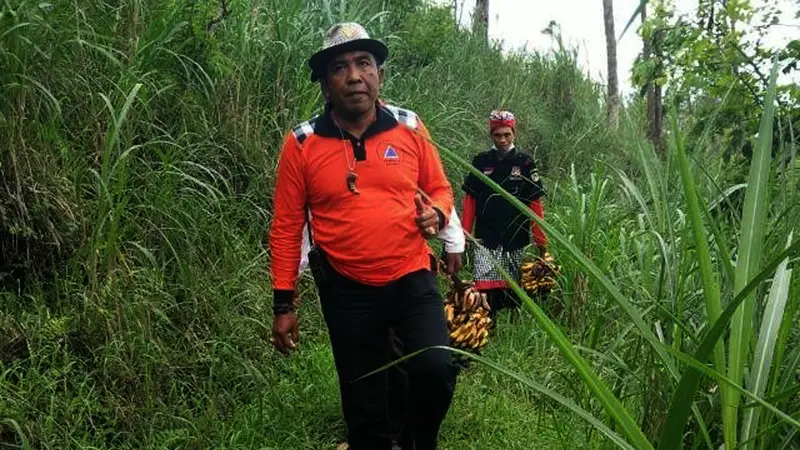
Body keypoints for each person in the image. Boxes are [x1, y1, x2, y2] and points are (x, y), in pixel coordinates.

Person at [269, 22, 459, 450]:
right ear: (324, 82)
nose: (354, 76)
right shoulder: (301, 144)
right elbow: (285, 227)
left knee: (435, 369)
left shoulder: (410, 127)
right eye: (340, 67)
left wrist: (438, 212)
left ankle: (414, 442)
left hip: (412, 275)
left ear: (380, 75)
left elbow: (441, 188)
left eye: (364, 63)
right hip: (346, 287)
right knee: (363, 401)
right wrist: (284, 303)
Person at [460, 110, 548, 321]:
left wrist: (541, 242)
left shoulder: (525, 163)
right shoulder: (481, 162)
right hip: (485, 237)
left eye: (507, 135)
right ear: (491, 135)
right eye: (498, 135)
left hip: (515, 237)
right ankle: (487, 329)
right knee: (483, 288)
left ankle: (514, 334)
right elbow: (470, 201)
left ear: (514, 133)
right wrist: (464, 235)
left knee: (514, 290)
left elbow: (534, 205)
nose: (502, 139)